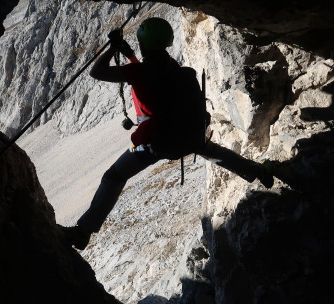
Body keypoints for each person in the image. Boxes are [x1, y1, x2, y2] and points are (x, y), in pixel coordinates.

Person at [60, 17, 274, 250]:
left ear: (143, 45)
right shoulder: (173, 67)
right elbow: (152, 74)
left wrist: (113, 48)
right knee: (208, 149)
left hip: (159, 142)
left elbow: (97, 72)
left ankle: (83, 232)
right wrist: (130, 54)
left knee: (114, 177)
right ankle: (258, 171)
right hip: (187, 135)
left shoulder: (138, 72)